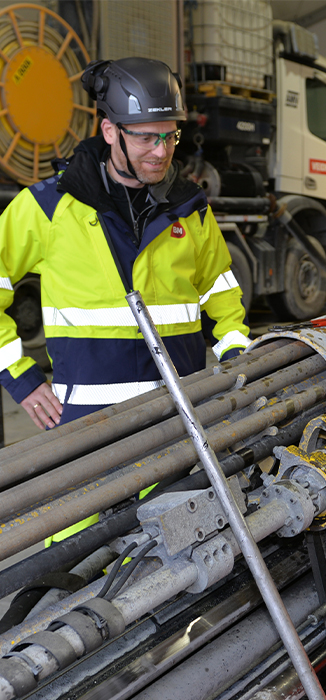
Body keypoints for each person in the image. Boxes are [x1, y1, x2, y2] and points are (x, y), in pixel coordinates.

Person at [0, 57, 251, 430]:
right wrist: (21, 379)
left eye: (170, 136)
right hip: (87, 425)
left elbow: (222, 293)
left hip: (179, 418)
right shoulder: (48, 207)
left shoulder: (190, 208)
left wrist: (238, 357)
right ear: (109, 130)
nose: (161, 152)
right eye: (146, 137)